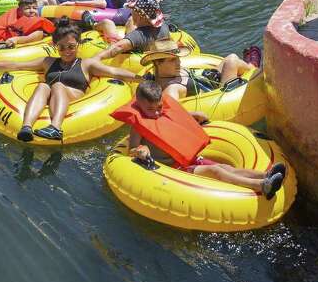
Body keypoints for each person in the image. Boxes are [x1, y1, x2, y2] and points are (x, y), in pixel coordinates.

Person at [116, 81, 284, 198]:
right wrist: (140, 150)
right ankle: (262, 186)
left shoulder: (163, 112)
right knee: (216, 172)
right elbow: (132, 150)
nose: (156, 113)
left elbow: (179, 119)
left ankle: (266, 175)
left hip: (189, 160)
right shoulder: (138, 126)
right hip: (174, 170)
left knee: (224, 167)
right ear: (139, 105)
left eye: (159, 107)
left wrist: (194, 116)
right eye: (150, 109)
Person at [0, 22, 137, 142]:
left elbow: (114, 72)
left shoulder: (87, 64)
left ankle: (55, 127)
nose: (67, 51)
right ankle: (26, 126)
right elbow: (18, 65)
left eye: (71, 47)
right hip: (50, 96)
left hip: (75, 97)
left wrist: (140, 78)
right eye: (61, 48)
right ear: (56, 47)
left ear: (78, 45)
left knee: (57, 84)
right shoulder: (48, 62)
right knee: (43, 85)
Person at [140, 38, 254, 102]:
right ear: (157, 63)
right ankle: (254, 69)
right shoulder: (171, 89)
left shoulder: (166, 73)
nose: (178, 62)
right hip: (217, 95)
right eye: (172, 60)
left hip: (208, 78)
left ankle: (251, 68)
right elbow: (170, 111)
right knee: (232, 60)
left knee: (230, 58)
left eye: (178, 58)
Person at [94, 0, 170, 54]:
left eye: (133, 10)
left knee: (107, 23)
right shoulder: (164, 26)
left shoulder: (137, 35)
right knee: (130, 20)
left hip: (129, 50)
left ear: (139, 16)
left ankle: (92, 24)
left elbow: (117, 48)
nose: (131, 11)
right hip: (145, 46)